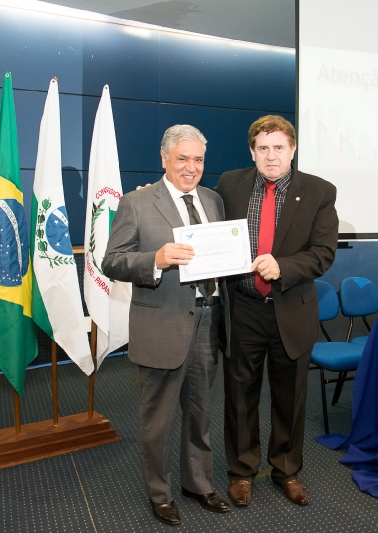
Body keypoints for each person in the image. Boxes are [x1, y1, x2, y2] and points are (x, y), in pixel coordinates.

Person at [102, 125, 229, 526]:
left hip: (208, 319)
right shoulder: (136, 202)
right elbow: (112, 261)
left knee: (201, 412)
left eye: (198, 159)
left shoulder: (213, 200)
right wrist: (154, 260)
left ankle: (198, 483)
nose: (191, 167)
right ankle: (160, 494)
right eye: (182, 158)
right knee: (157, 420)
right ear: (164, 159)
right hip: (162, 324)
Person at [215, 115, 338, 507]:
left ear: (293, 149)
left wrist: (283, 266)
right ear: (252, 151)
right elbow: (201, 221)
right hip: (243, 309)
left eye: (279, 147)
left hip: (291, 310)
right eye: (263, 148)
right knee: (239, 396)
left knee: (290, 397)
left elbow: (323, 253)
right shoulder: (229, 184)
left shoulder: (319, 191)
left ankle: (286, 470)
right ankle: (241, 471)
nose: (271, 156)